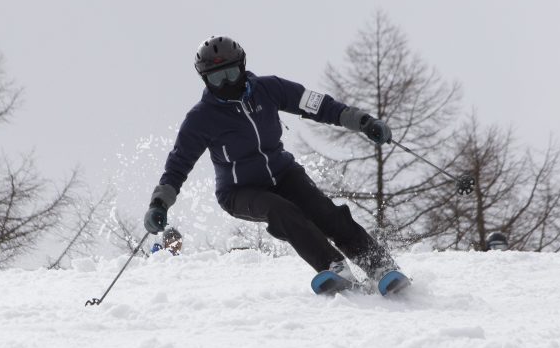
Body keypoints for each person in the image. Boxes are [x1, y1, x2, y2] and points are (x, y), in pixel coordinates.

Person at [143, 35, 412, 295]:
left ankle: (380, 266)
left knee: (326, 213)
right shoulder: (201, 119)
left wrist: (363, 122)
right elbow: (178, 164)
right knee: (282, 211)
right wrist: (160, 203)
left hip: (283, 174)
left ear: (242, 67)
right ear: (204, 79)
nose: (225, 84)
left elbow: (319, 105)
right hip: (239, 191)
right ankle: (333, 267)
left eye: (230, 74)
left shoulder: (269, 89)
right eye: (216, 78)